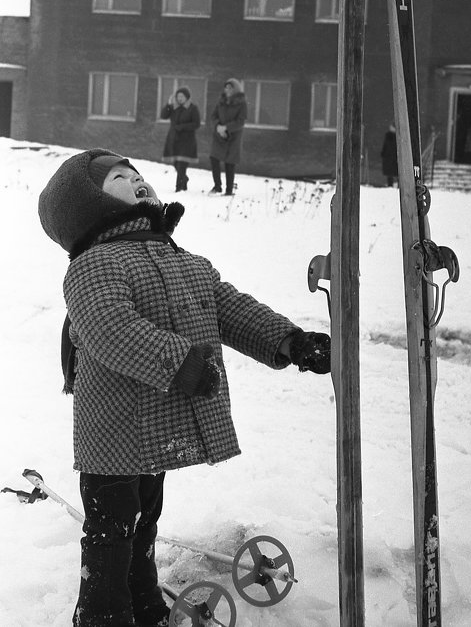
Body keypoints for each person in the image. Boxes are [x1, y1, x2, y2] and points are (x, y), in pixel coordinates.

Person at [38, 149, 331, 627]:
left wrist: (291, 342)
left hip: (153, 427)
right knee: (112, 531)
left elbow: (230, 308)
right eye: (118, 178)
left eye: (137, 175)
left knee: (145, 520)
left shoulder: (183, 261)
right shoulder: (94, 264)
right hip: (112, 431)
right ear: (86, 203)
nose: (137, 182)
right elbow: (108, 328)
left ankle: (143, 601)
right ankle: (101, 614)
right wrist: (181, 365)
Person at [209, 78, 247, 195]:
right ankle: (217, 186)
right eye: (226, 87)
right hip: (219, 134)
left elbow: (240, 121)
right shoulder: (221, 101)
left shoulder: (242, 103)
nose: (227, 90)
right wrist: (218, 127)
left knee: (229, 163)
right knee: (214, 158)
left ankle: (229, 189)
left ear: (236, 90)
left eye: (230, 88)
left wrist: (226, 128)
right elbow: (213, 116)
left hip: (233, 136)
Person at [160, 86, 201, 192]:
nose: (180, 98)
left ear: (187, 97)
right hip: (174, 139)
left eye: (182, 96)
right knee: (176, 163)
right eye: (178, 96)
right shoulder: (174, 107)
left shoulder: (193, 108)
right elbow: (163, 116)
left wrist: (182, 127)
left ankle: (179, 187)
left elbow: (196, 124)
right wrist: (169, 104)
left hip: (187, 140)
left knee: (182, 164)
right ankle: (184, 179)